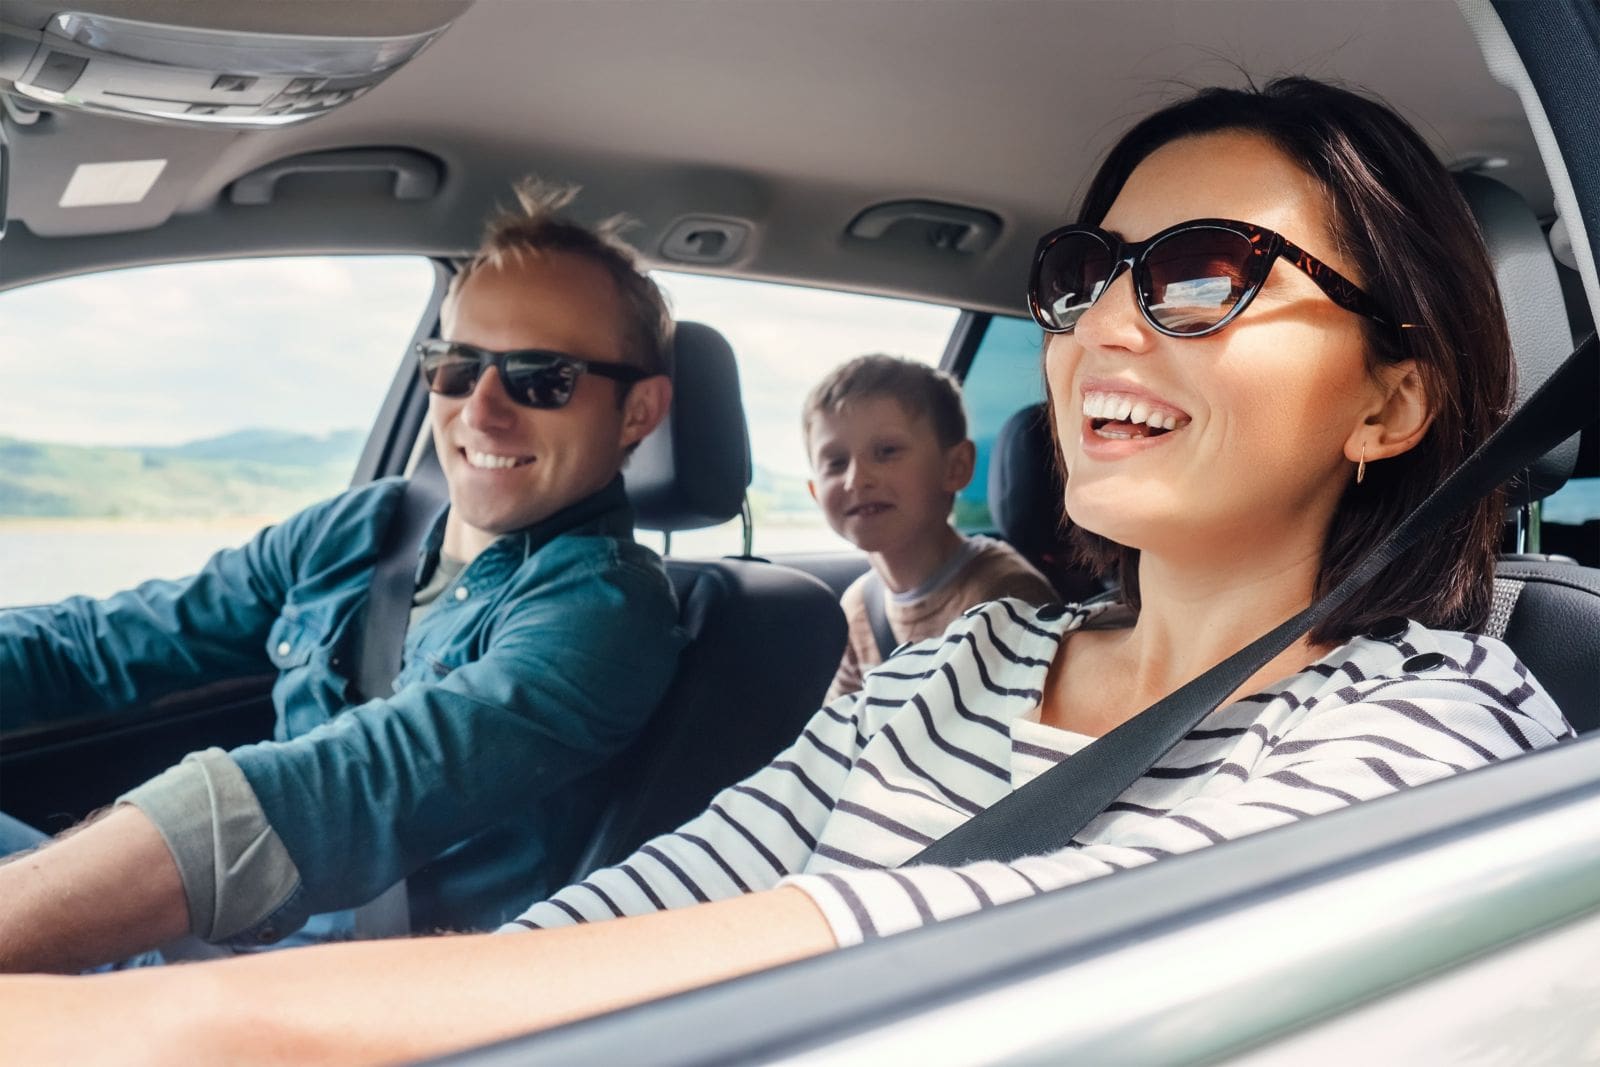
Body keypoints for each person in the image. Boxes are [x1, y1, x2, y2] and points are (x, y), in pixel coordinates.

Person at [0, 77, 1577, 1065]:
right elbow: (668, 896)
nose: (1097, 324)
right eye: (1084, 274)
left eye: (1200, 275)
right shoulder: (957, 667)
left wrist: (195, 1023)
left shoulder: (1436, 721)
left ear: (1391, 397)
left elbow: (993, 932)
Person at [0, 180, 686, 973]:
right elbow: (98, 645)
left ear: (637, 412)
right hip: (207, 948)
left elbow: (351, 788)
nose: (482, 411)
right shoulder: (364, 529)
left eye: (542, 377)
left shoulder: (605, 610)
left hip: (318, 1002)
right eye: (458, 367)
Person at [802, 354, 1055, 698]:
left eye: (887, 451)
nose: (856, 479)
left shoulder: (1006, 597)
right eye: (835, 462)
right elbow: (841, 733)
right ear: (815, 492)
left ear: (955, 467)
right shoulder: (859, 605)